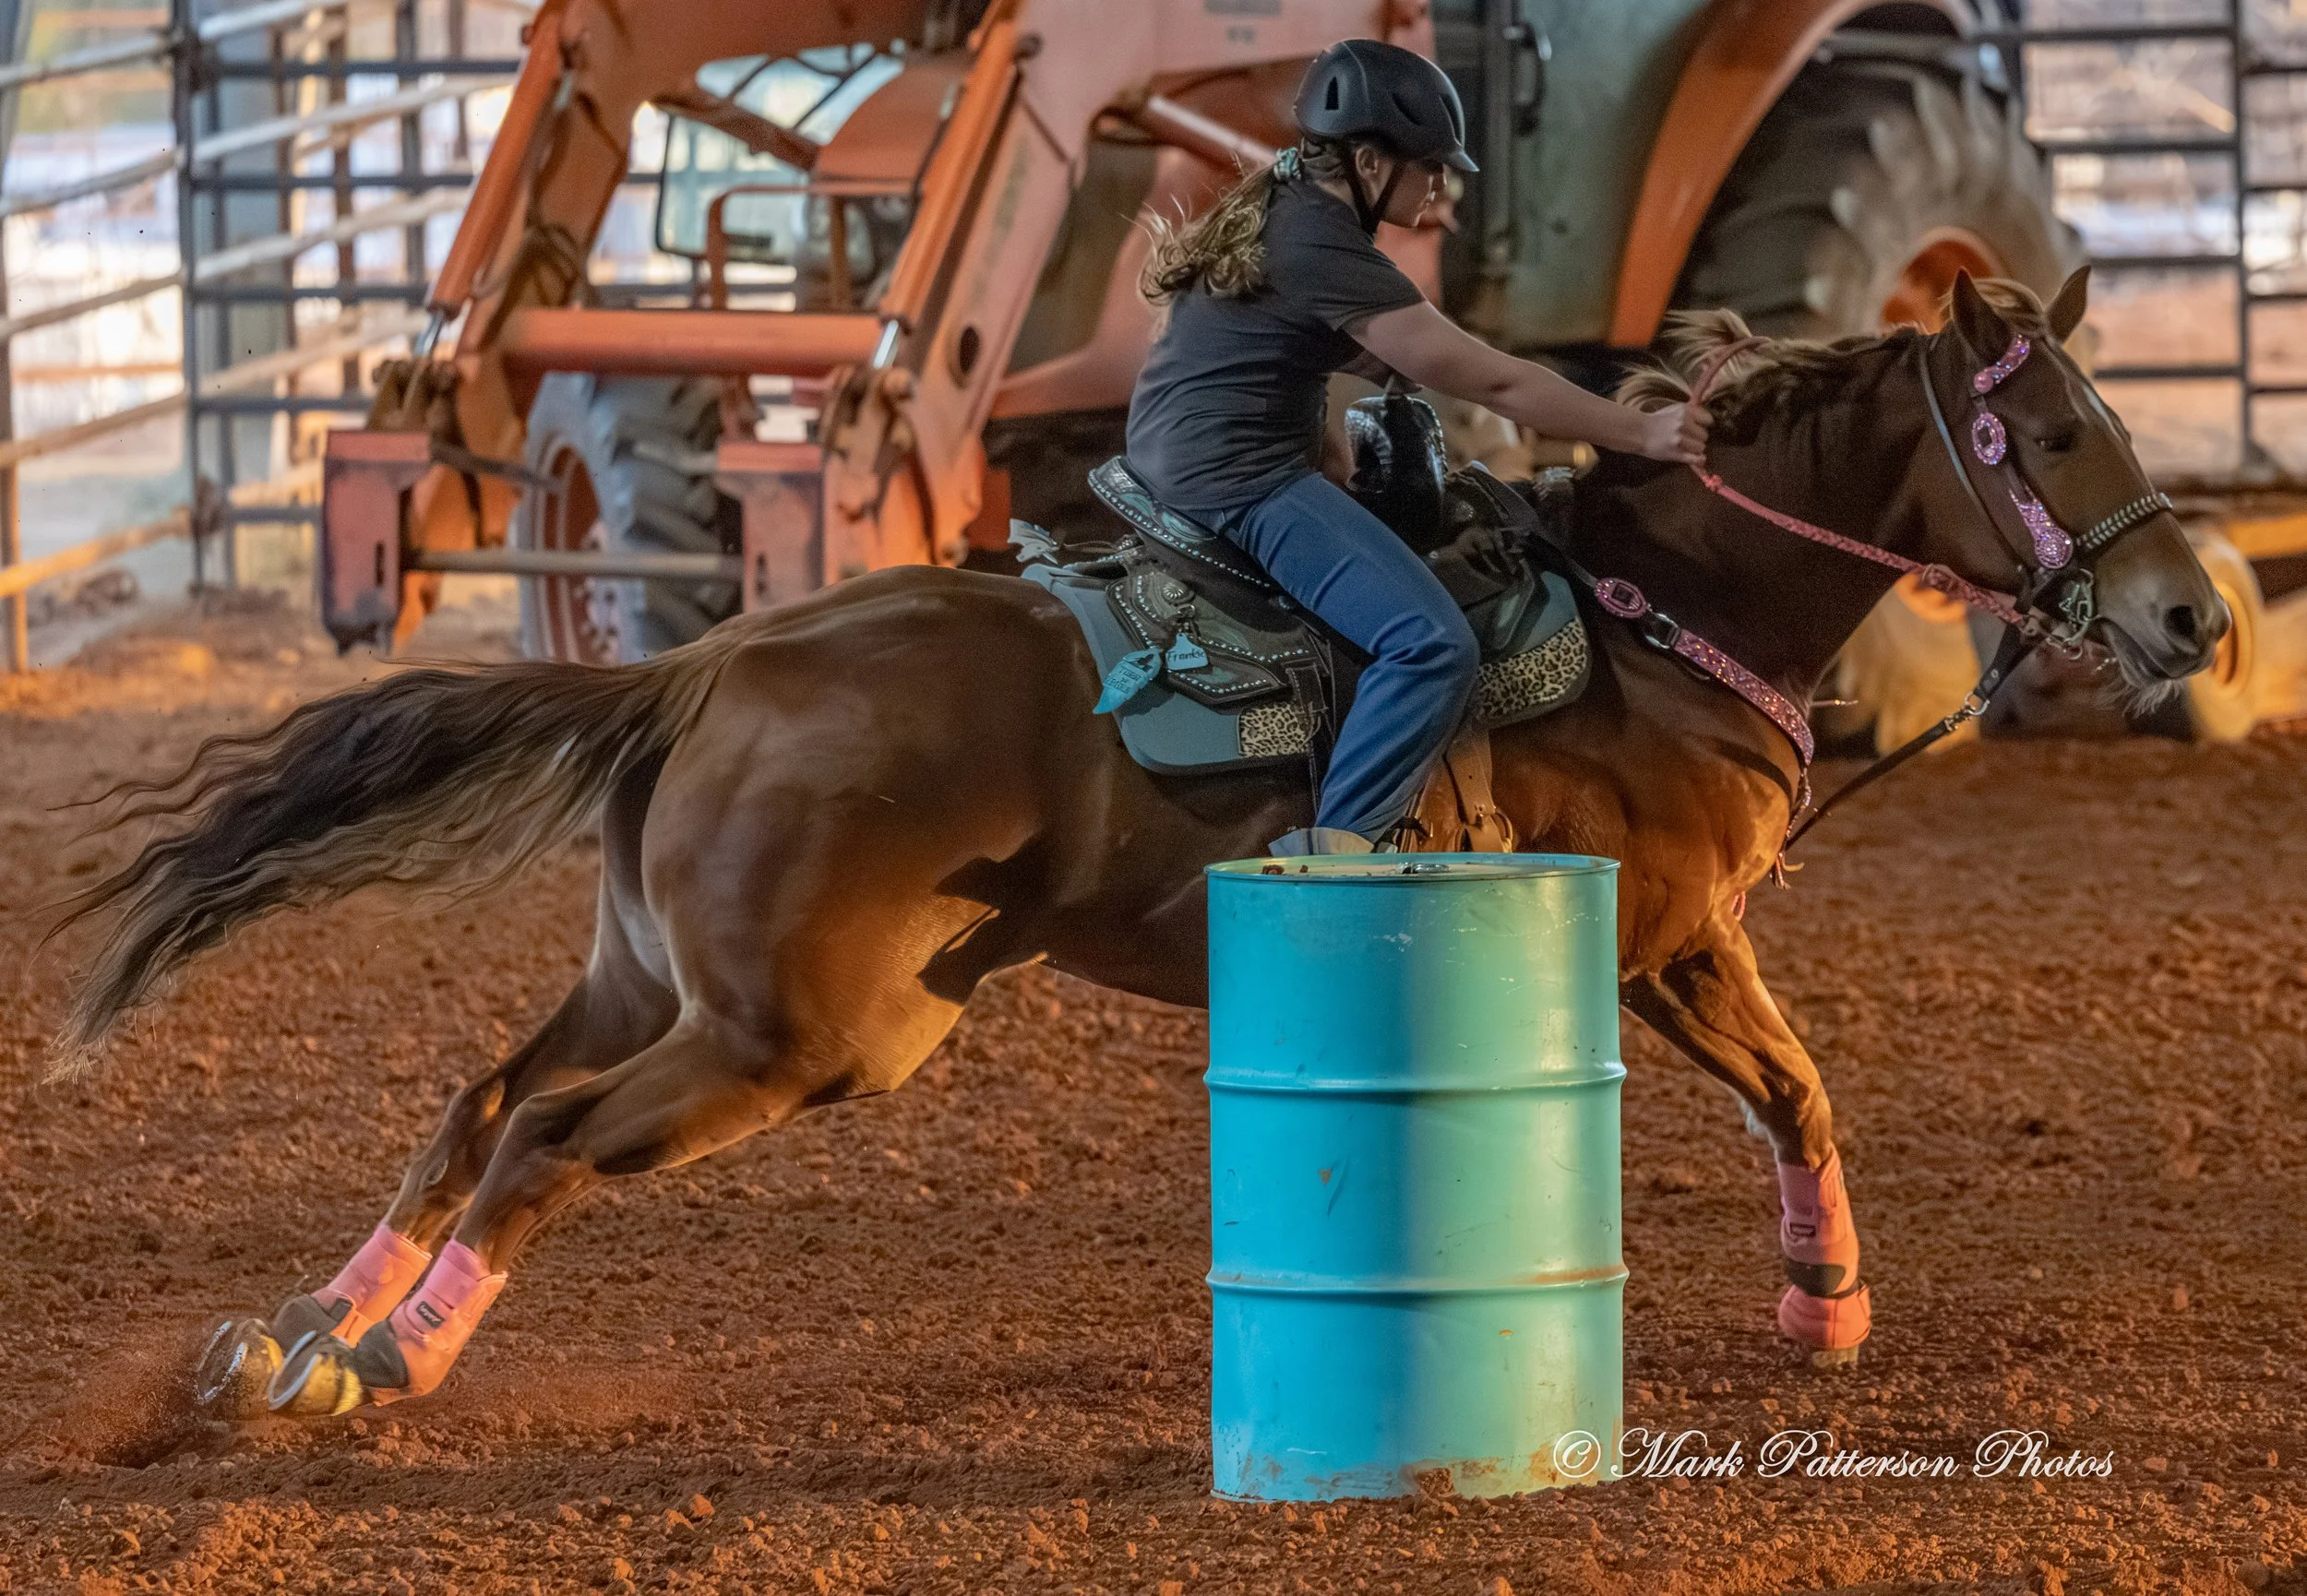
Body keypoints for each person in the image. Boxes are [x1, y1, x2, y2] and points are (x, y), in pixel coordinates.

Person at [1125, 38, 1709, 856]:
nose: (1443, 182)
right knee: (1431, 644)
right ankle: (1337, 857)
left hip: (1173, 458)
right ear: (1367, 161)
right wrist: (1643, 429)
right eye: (1429, 164)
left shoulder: (1282, 202)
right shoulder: (1324, 247)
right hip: (1236, 482)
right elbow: (1491, 382)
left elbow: (1369, 365)